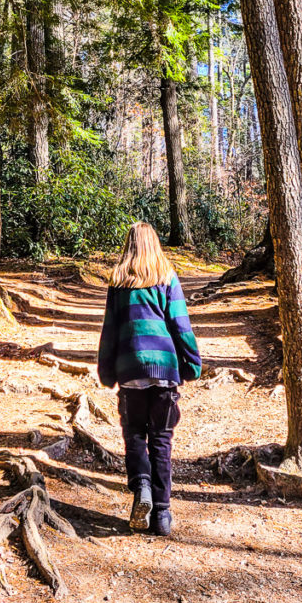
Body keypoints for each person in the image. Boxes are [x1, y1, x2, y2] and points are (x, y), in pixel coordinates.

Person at [97, 221, 201, 536]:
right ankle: (162, 515)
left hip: (131, 371)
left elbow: (110, 332)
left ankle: (141, 484)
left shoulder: (119, 283)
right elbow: (181, 325)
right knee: (160, 440)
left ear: (129, 246)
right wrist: (192, 362)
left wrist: (106, 370)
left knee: (134, 436)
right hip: (165, 371)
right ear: (155, 245)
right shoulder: (167, 278)